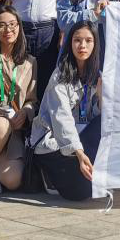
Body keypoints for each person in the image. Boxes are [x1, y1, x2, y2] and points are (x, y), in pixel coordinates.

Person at [31, 22, 102, 201]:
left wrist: (101, 97)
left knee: (104, 123)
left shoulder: (97, 75)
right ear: (69, 43)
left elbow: (97, 118)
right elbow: (61, 117)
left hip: (82, 139)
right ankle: (48, 173)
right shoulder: (60, 74)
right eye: (77, 40)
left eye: (88, 40)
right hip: (55, 143)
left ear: (95, 44)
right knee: (80, 194)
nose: (82, 46)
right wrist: (78, 153)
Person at [0, 5, 38, 194]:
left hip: (15, 129)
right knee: (1, 125)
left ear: (19, 27)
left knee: (12, 181)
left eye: (12, 25)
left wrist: (26, 112)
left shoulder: (30, 62)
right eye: (1, 25)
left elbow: (31, 100)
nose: (8, 30)